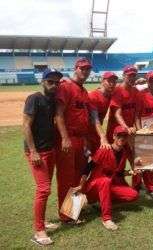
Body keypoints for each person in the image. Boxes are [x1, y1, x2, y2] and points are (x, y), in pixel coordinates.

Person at [55, 57, 102, 223]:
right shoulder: (66, 87)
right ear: (75, 68)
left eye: (88, 69)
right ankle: (65, 216)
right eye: (82, 68)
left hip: (81, 140)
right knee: (66, 178)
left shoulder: (83, 91)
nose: (85, 71)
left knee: (78, 177)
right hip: (68, 139)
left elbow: (90, 114)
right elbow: (58, 114)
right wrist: (64, 138)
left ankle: (73, 212)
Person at [23, 68, 62, 245]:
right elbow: (26, 126)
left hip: (50, 150)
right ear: (43, 82)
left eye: (57, 82)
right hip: (37, 152)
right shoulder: (34, 98)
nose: (54, 85)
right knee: (44, 189)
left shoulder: (53, 101)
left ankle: (43, 221)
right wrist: (33, 151)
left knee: (46, 189)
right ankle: (38, 231)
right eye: (50, 81)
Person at [72, 126, 139, 230]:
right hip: (93, 187)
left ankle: (103, 204)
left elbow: (118, 173)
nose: (122, 138)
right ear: (113, 136)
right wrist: (81, 185)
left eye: (124, 136)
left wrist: (130, 172)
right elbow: (88, 167)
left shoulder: (123, 152)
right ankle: (106, 218)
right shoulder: (105, 149)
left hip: (108, 187)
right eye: (119, 135)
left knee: (133, 195)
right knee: (105, 181)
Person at [87, 71, 118, 154]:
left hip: (96, 133)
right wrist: (103, 136)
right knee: (84, 161)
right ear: (102, 81)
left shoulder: (110, 95)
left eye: (114, 82)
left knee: (99, 159)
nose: (112, 84)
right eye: (109, 81)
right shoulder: (93, 96)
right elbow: (95, 119)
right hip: (86, 134)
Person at [106, 65, 139, 142]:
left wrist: (139, 129)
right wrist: (126, 128)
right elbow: (117, 114)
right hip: (116, 133)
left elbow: (136, 114)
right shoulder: (117, 90)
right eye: (129, 75)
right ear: (124, 76)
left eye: (134, 75)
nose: (132, 78)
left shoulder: (135, 91)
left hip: (129, 132)